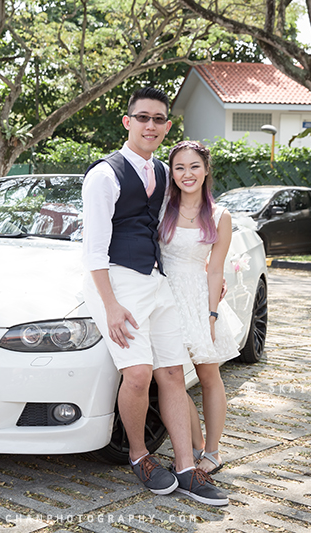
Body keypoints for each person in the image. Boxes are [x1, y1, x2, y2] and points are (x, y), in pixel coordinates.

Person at [81, 87, 228, 506]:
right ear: (127, 122)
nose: (150, 125)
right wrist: (110, 305)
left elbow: (186, 220)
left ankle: (186, 467)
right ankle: (140, 456)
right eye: (142, 117)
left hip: (155, 280)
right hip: (116, 280)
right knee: (139, 374)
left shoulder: (164, 171)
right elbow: (93, 250)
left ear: (166, 126)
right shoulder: (104, 175)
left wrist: (212, 269)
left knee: (173, 374)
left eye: (158, 119)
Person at [158, 140, 243, 476]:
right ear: (172, 173)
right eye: (179, 167)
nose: (187, 173)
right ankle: (194, 446)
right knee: (171, 379)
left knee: (208, 376)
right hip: (164, 298)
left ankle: (213, 451)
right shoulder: (162, 209)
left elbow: (216, 269)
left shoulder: (220, 216)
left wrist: (211, 314)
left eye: (194, 166)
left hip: (198, 300)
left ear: (206, 169)